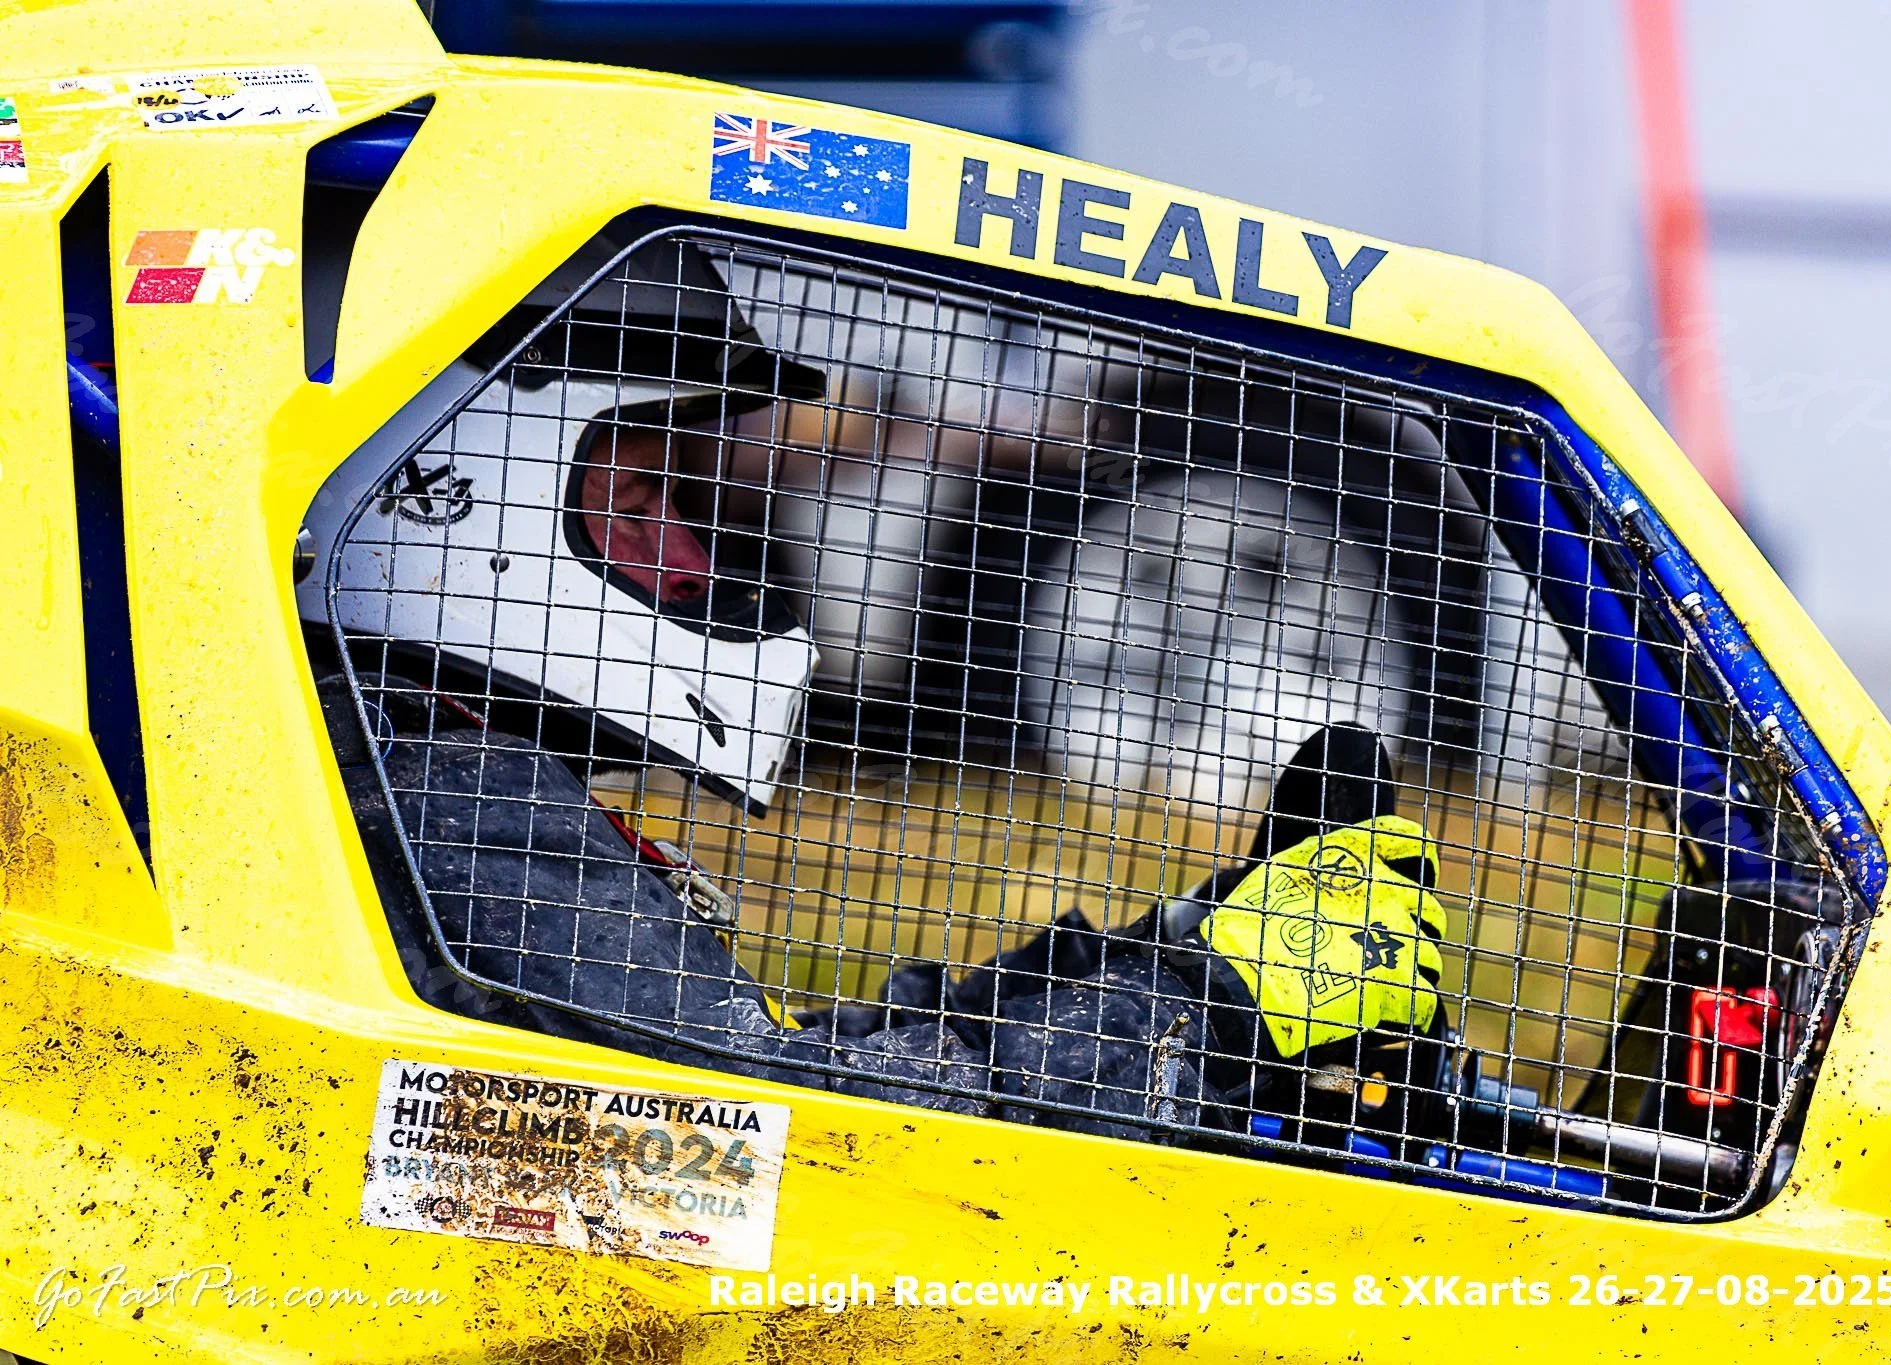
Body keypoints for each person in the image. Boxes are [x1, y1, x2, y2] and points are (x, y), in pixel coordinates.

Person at [303, 231, 1450, 1149]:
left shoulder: (391, 770)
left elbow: (754, 1069)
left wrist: (1164, 953)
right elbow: (770, 1148)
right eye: (649, 502)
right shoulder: (442, 801)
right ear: (441, 502)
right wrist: (1206, 1006)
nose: (697, 567)